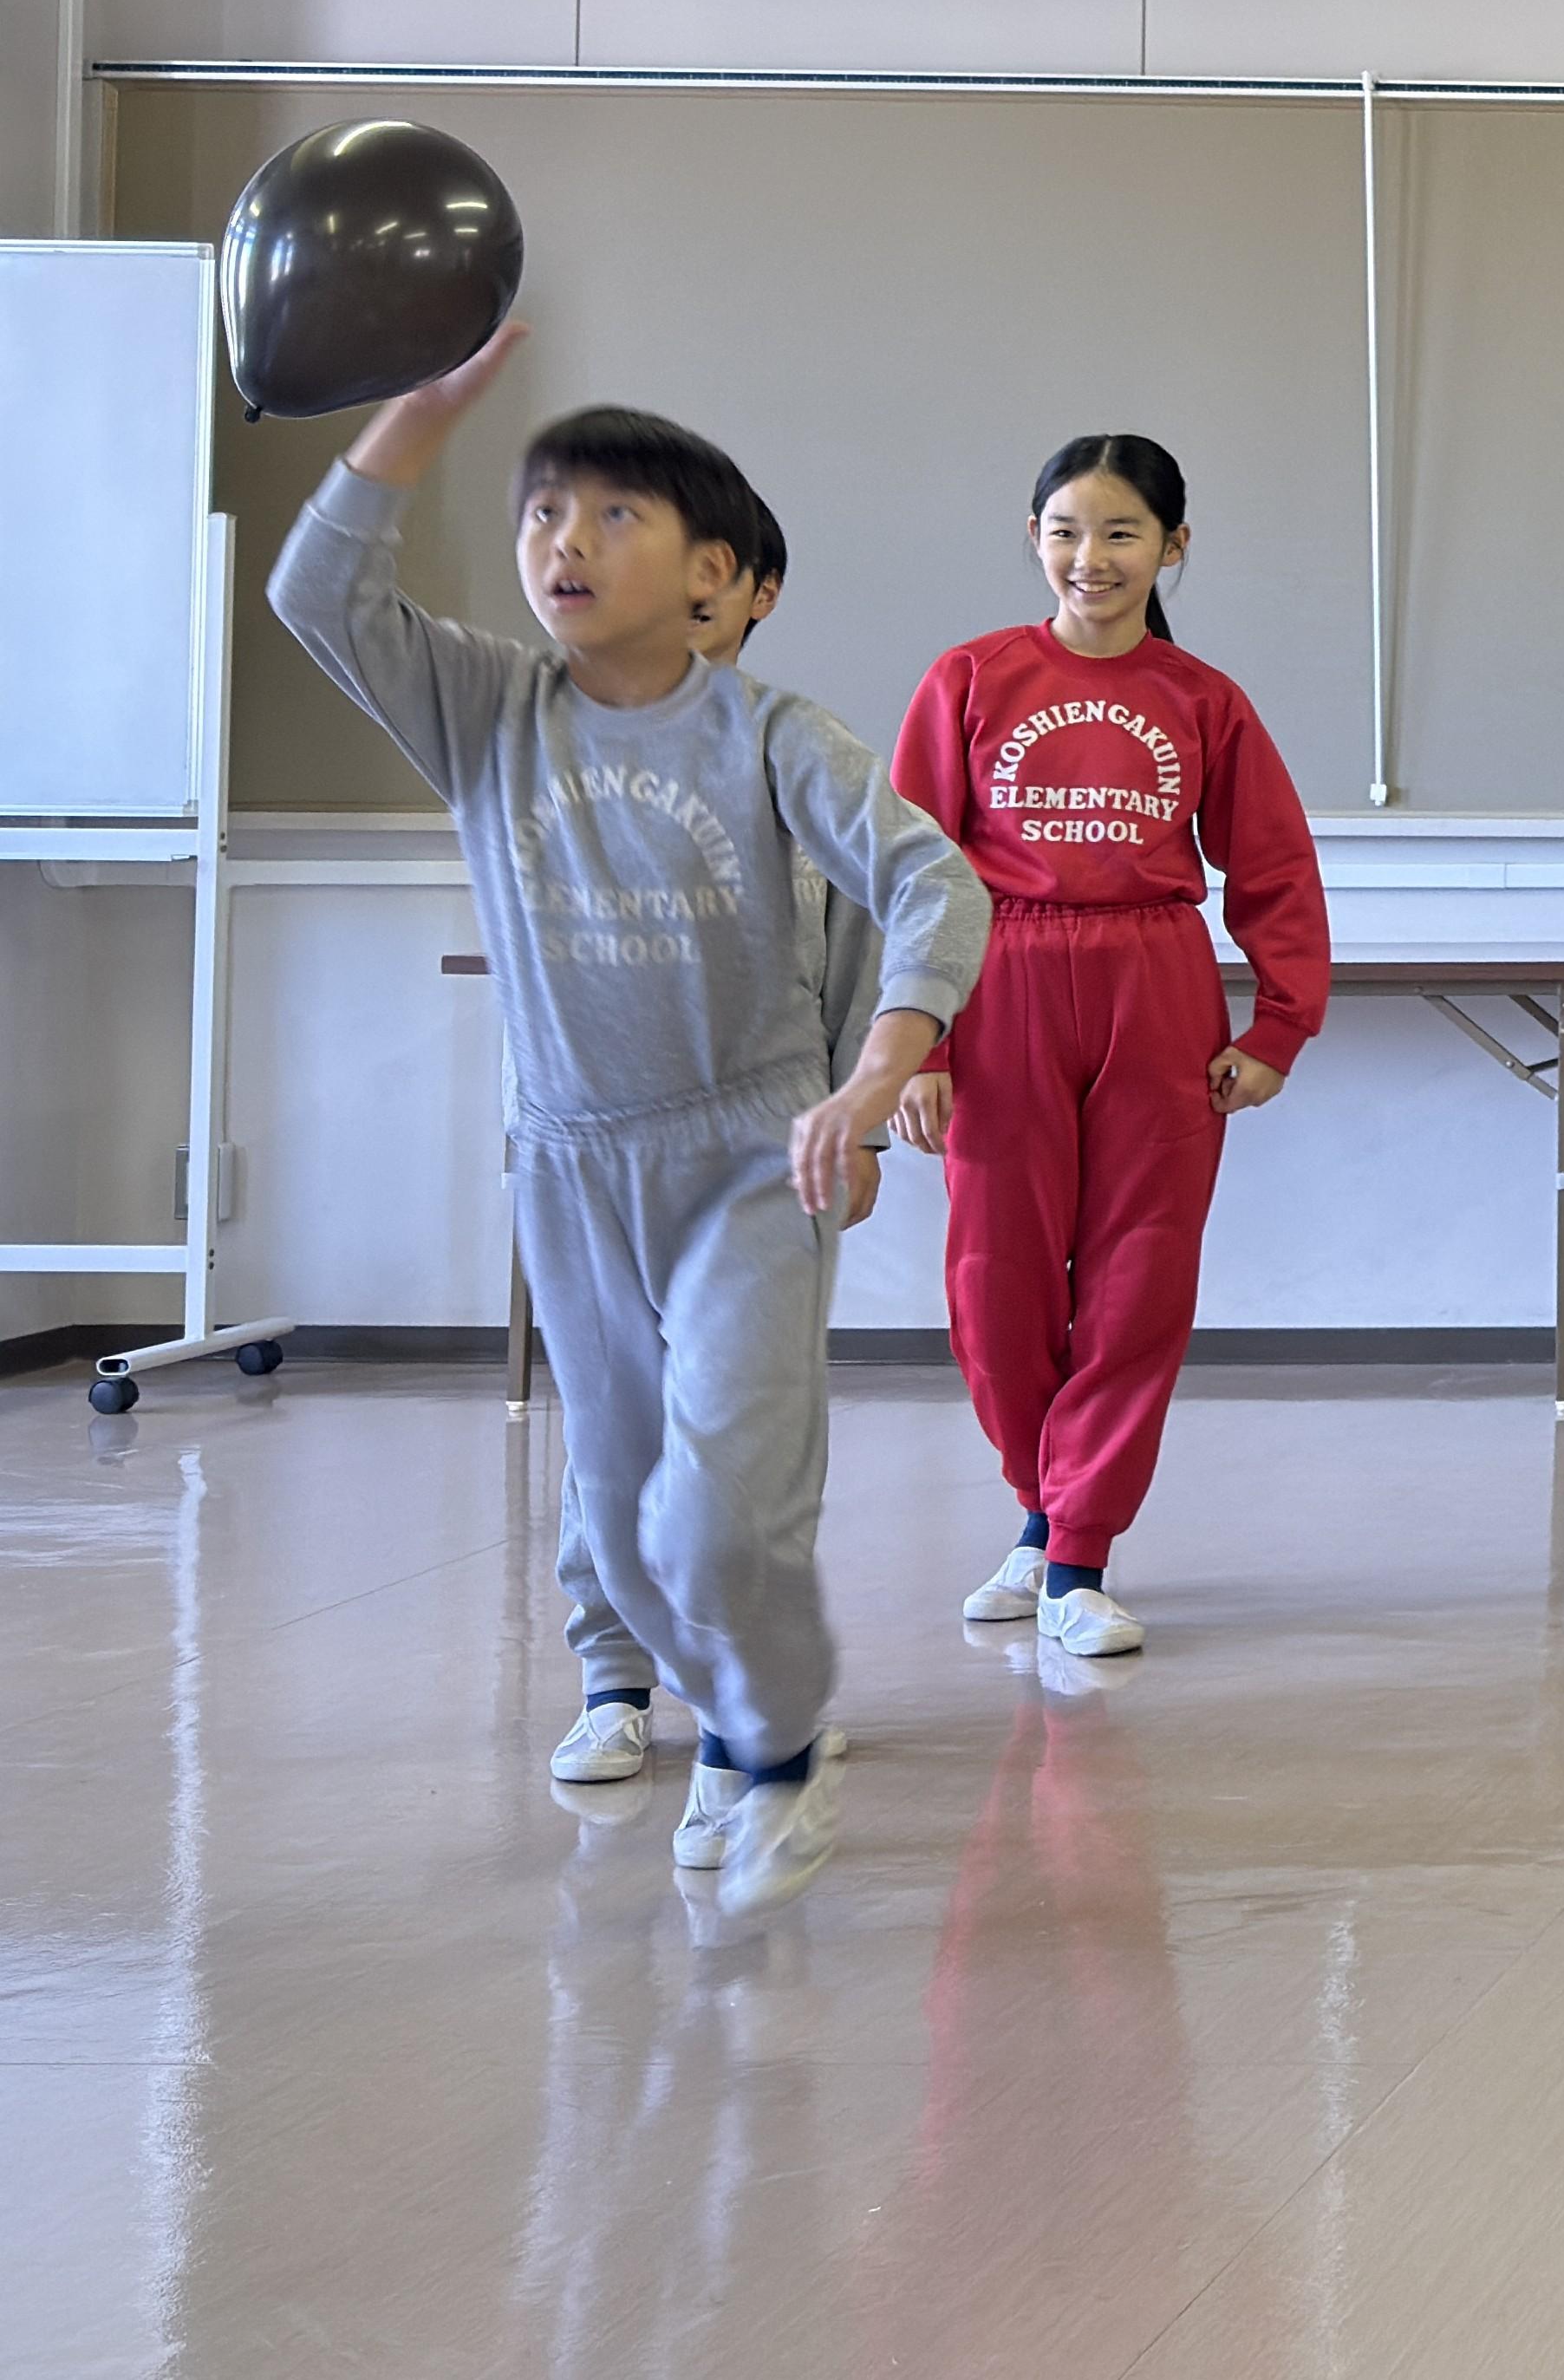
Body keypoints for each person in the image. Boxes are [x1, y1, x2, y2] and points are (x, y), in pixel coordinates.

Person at [272, 324, 981, 1920]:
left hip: (753, 1158)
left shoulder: (773, 735)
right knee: (622, 1513)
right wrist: (425, 412)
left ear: (715, 571)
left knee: (721, 1508)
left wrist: (879, 1072)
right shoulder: (485, 710)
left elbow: (932, 881)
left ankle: (772, 1747)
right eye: (542, 512)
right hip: (573, 1163)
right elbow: (319, 595)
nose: (564, 542)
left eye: (611, 514)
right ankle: (718, 1716)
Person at [888, 435, 1329, 1662]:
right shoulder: (969, 678)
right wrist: (917, 1043)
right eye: (1067, 530)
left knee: (1140, 1274)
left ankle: (1076, 1554)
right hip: (1001, 984)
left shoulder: (1205, 701)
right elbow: (912, 868)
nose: (1092, 557)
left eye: (1122, 532)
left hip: (1156, 982)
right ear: (1032, 538)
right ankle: (1041, 1512)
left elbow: (1276, 867)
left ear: (1172, 547)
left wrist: (1279, 1024)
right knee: (996, 1280)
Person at [541, 509, 893, 1813]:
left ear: (760, 593)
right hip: (597, 1159)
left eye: (710, 577)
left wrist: (859, 1119)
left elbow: (862, 944)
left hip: (765, 1159)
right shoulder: (555, 761)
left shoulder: (800, 755)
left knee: (752, 1436)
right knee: (612, 1423)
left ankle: (757, 1697)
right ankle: (614, 1678)